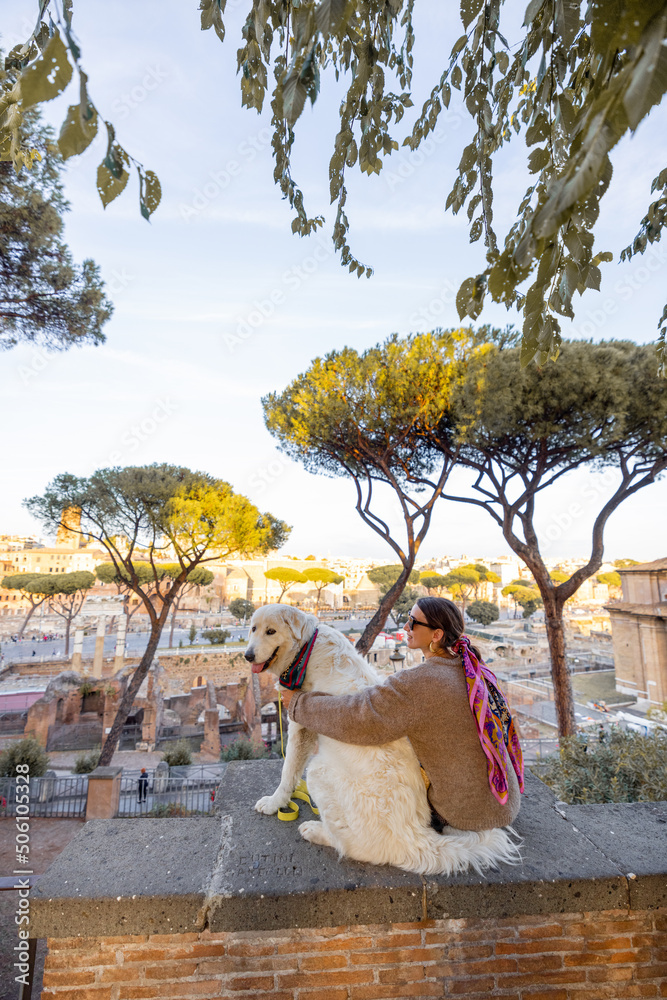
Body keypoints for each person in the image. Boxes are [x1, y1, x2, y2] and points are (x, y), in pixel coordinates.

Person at [281, 597, 524, 832]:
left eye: (414, 622)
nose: (406, 626)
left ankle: (346, 838)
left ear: (436, 635)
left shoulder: (421, 682)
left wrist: (300, 704)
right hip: (503, 804)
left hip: (466, 814)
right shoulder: (472, 668)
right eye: (408, 618)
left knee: (329, 771)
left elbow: (361, 717)